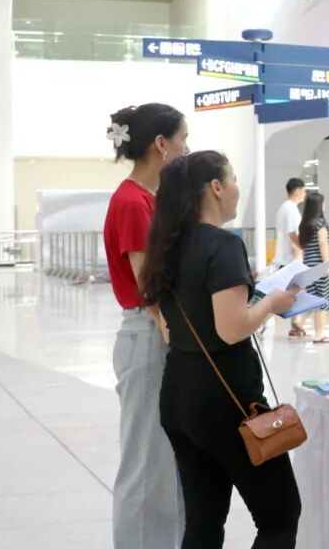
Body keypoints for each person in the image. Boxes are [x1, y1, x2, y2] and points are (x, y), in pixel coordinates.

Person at [140, 150, 301, 548]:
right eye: (233, 180)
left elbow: (172, 325)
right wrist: (272, 303)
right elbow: (231, 330)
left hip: (179, 395)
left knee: (203, 522)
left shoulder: (168, 246)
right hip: (225, 399)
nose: (236, 189)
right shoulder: (223, 245)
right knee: (279, 516)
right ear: (216, 187)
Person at [102, 102, 188, 549]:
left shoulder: (150, 199)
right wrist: (169, 327)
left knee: (164, 461)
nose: (185, 148)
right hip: (148, 334)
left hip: (158, 333)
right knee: (144, 461)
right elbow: (145, 281)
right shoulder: (132, 201)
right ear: (161, 144)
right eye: (182, 139)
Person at [298, 192, 329, 344]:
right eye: (323, 203)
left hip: (308, 265)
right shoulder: (320, 224)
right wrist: (327, 265)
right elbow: (323, 244)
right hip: (319, 266)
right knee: (322, 301)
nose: (325, 205)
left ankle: (298, 324)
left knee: (312, 298)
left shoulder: (305, 225)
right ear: (319, 206)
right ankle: (319, 334)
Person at [275, 178, 306, 339]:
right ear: (298, 190)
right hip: (291, 259)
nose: (304, 194)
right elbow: (293, 233)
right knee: (289, 294)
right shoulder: (292, 209)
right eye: (304, 190)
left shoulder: (284, 207)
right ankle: (261, 324)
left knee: (293, 294)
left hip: (285, 258)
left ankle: (295, 324)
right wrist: (302, 248)